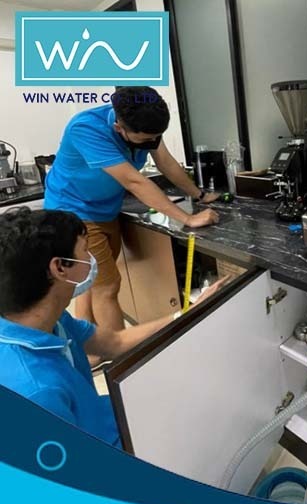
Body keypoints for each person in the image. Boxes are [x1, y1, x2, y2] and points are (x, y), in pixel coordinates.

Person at [0, 208, 227, 446]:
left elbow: (115, 343)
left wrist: (188, 313)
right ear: (59, 268)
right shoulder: (37, 392)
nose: (91, 258)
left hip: (105, 419)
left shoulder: (51, 321)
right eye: (85, 250)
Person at [44, 86, 220, 333]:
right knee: (108, 287)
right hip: (72, 210)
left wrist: (199, 195)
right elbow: (134, 182)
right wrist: (187, 219)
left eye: (157, 137)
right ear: (119, 129)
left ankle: (88, 343)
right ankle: (119, 352)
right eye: (147, 140)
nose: (153, 143)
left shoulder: (144, 124)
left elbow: (166, 162)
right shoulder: (86, 128)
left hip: (105, 209)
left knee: (91, 279)